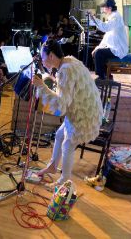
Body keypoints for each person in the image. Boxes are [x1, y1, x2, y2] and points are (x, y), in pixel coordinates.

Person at [31, 40, 103, 188]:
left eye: (43, 57)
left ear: (51, 56)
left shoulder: (65, 70)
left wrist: (42, 87)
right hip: (83, 110)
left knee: (67, 145)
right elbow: (67, 91)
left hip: (83, 116)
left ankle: (64, 181)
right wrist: (51, 82)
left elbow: (61, 106)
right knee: (59, 135)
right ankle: (52, 166)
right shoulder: (69, 61)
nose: (42, 61)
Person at [89, 0, 128, 80]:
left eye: (104, 7)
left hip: (119, 48)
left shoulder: (116, 17)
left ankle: (102, 77)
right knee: (97, 51)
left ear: (110, 8)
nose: (103, 9)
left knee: (99, 53)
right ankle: (108, 76)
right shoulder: (112, 17)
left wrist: (94, 19)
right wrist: (97, 47)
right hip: (114, 46)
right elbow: (106, 37)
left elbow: (105, 28)